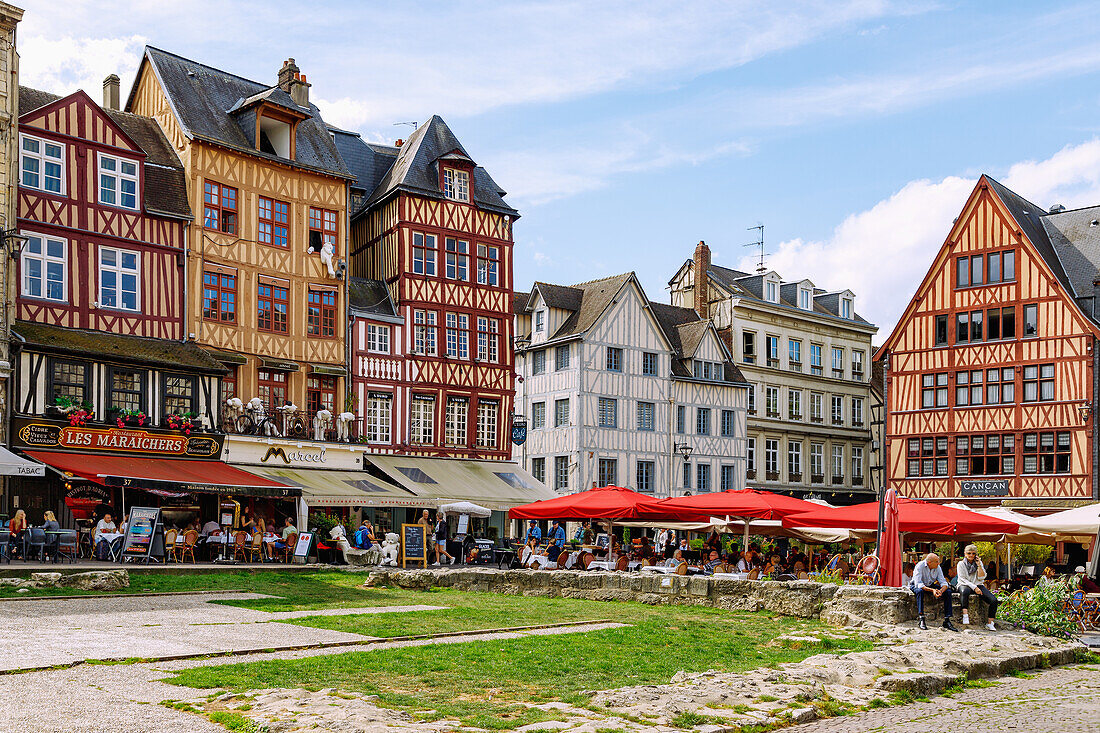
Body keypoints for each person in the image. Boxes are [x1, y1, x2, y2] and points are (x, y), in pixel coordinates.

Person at [910, 553, 957, 631]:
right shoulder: (920, 566)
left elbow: (943, 582)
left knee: (948, 592)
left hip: (930, 585)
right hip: (917, 585)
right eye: (936, 561)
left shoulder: (937, 567)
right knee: (919, 592)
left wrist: (941, 591)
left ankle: (947, 619)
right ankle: (921, 618)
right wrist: (932, 590)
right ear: (929, 562)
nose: (939, 563)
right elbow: (919, 584)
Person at [956, 545, 998, 631]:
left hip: (978, 584)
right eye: (969, 553)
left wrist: (979, 565)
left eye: (973, 553)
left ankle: (990, 623)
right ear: (965, 554)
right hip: (964, 584)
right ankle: (965, 615)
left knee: (993, 600)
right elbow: (962, 578)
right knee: (965, 592)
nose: (971, 555)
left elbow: (982, 577)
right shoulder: (961, 564)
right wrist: (974, 587)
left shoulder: (979, 563)